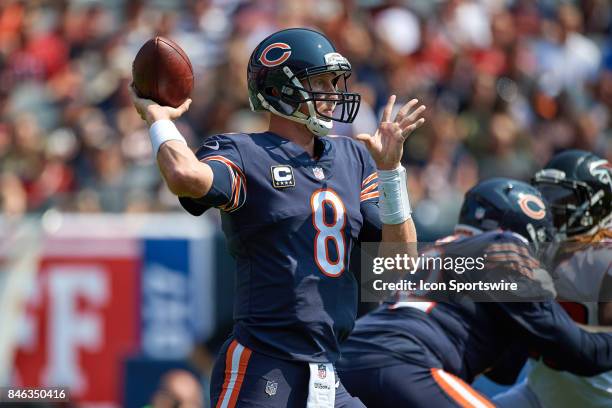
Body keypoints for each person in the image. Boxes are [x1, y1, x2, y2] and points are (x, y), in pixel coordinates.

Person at [130, 27, 425, 407]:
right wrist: (158, 118)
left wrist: (391, 174)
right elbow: (185, 176)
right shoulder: (244, 152)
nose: (333, 95)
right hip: (263, 365)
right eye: (320, 82)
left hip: (326, 370)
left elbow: (399, 266)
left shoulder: (356, 158)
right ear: (279, 89)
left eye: (335, 83)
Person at [336, 178, 612, 408]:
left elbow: (505, 370)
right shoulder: (503, 247)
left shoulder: (438, 251)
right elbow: (581, 352)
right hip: (405, 363)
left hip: (348, 361)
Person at [493, 150, 612, 408]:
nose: (549, 205)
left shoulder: (606, 261)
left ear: (599, 203)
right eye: (544, 194)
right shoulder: (539, 252)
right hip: (541, 395)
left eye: (561, 196)